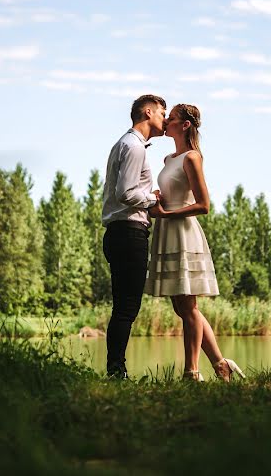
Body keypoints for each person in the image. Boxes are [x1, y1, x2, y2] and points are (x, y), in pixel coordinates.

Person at [144, 104, 245, 382]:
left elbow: (203, 205)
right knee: (181, 307)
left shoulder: (192, 158)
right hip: (167, 230)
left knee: (188, 307)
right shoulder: (168, 159)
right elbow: (170, 192)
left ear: (185, 125)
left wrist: (168, 213)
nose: (165, 121)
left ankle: (192, 372)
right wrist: (157, 198)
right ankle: (221, 365)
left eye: (171, 118)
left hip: (184, 233)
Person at [101, 94, 167, 378]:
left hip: (120, 232)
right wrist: (152, 199)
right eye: (162, 113)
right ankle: (117, 370)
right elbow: (125, 193)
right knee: (127, 307)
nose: (164, 119)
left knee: (123, 307)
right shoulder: (134, 146)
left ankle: (116, 368)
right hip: (128, 233)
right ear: (148, 112)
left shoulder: (125, 144)